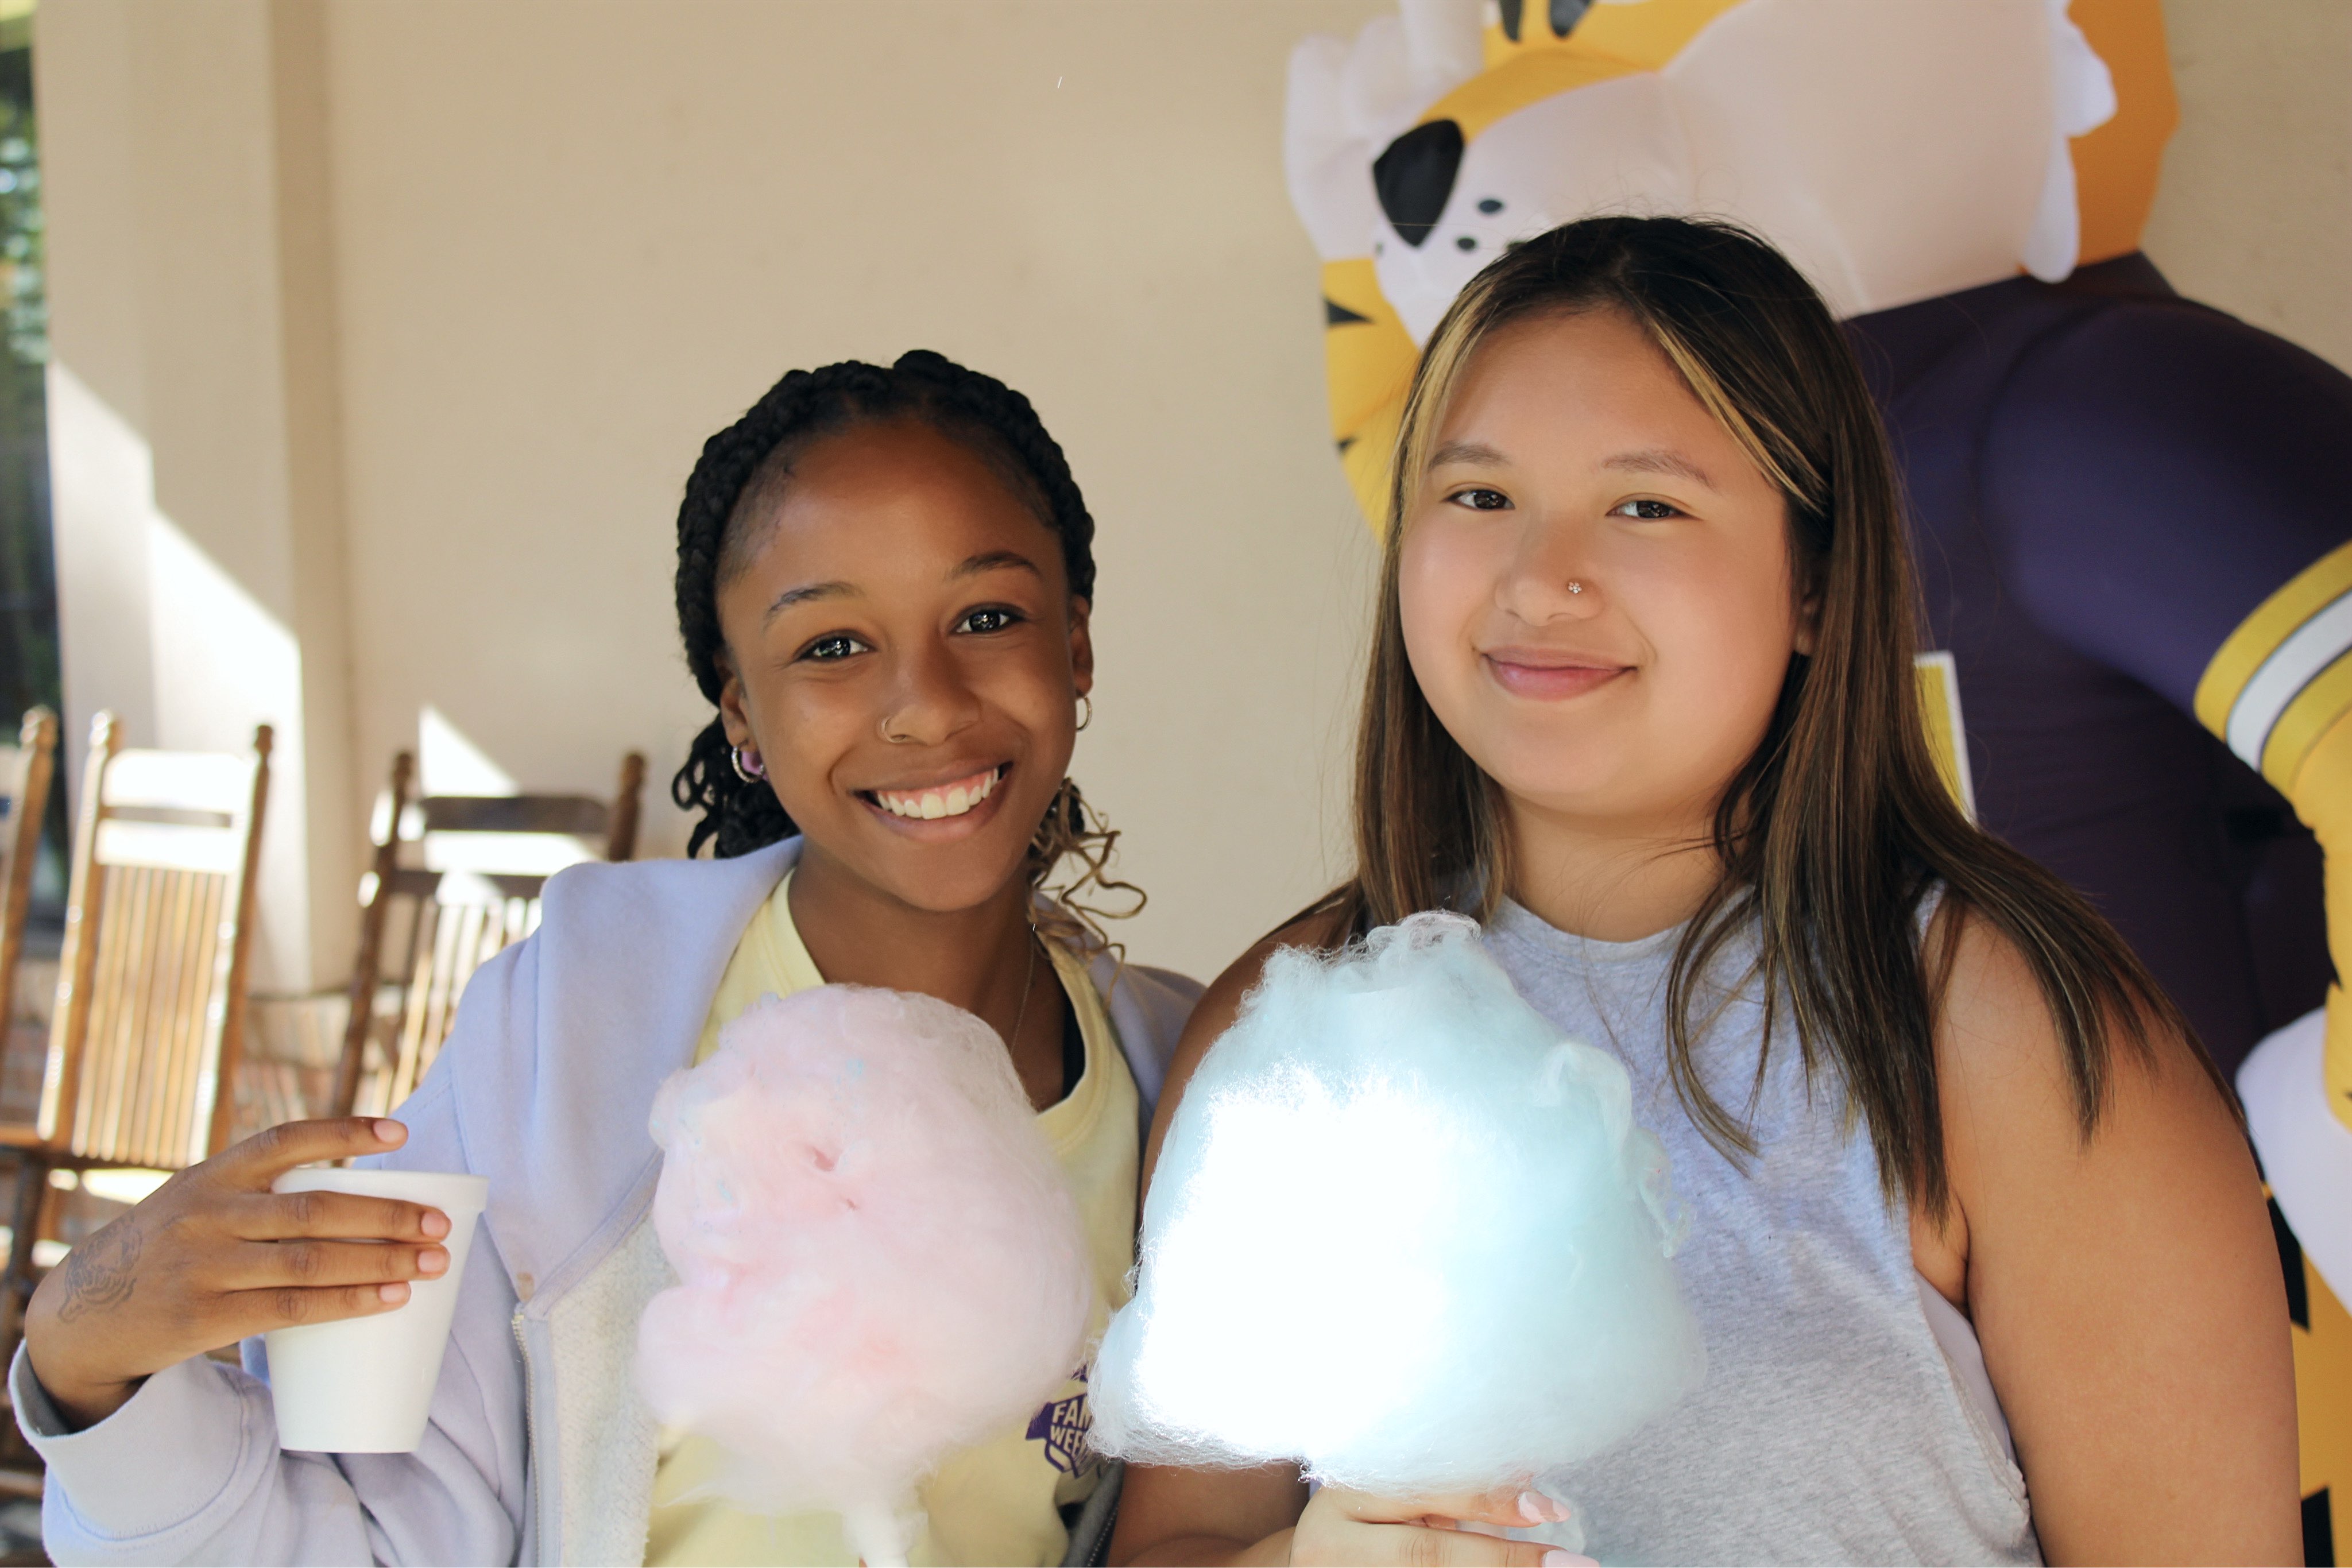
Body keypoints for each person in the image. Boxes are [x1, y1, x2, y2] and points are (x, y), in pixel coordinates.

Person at [1108, 218, 2298, 1567]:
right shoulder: (1285, 1035)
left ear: (1816, 581)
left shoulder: (2002, 1030)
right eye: (1478, 495)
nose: (1539, 578)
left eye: (1645, 506)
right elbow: (1175, 1545)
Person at [14, 350, 1200, 1567]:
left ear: (1075, 645)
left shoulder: (1187, 1095)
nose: (927, 703)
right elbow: (358, 1540)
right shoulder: (563, 1050)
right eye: (832, 645)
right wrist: (88, 1364)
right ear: (740, 711)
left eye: (988, 618)